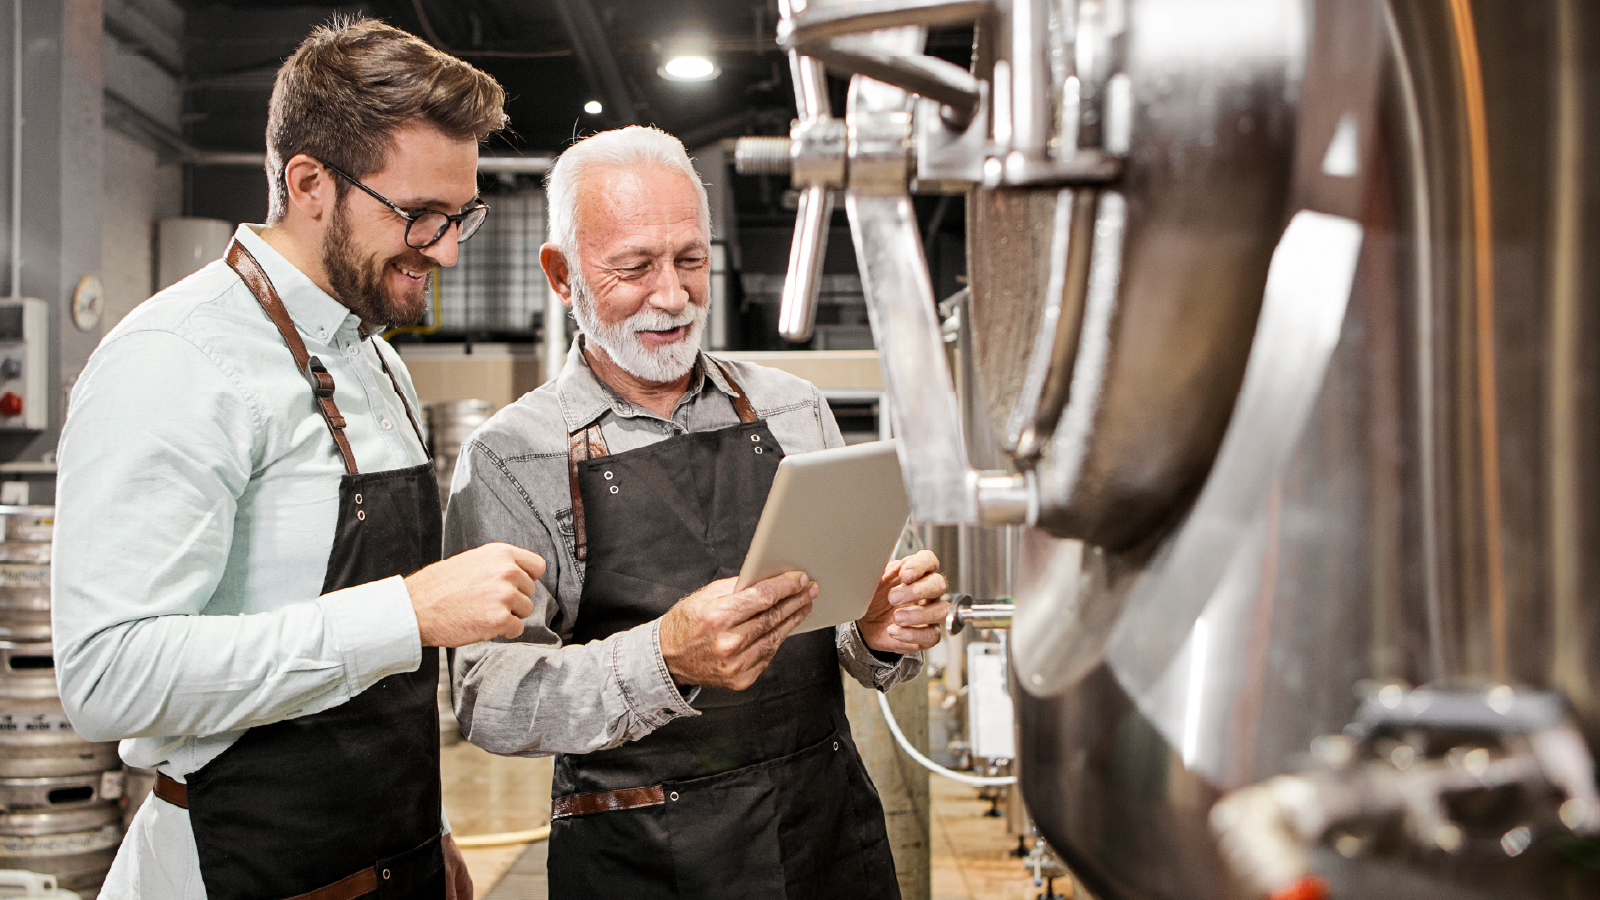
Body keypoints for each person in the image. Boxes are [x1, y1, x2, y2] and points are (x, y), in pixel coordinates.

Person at [51, 19, 545, 900]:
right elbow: (109, 675)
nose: (448, 248)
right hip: (239, 867)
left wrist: (423, 834)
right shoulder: (178, 358)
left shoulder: (376, 359)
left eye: (460, 213)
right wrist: (402, 613)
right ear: (310, 182)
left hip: (388, 858)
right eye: (419, 215)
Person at [443, 125, 951, 899]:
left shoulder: (794, 409)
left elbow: (853, 620)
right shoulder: (513, 457)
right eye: (635, 267)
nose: (673, 297)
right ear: (560, 273)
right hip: (645, 855)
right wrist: (664, 660)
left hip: (824, 835)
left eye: (689, 260)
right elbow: (488, 695)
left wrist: (881, 631)